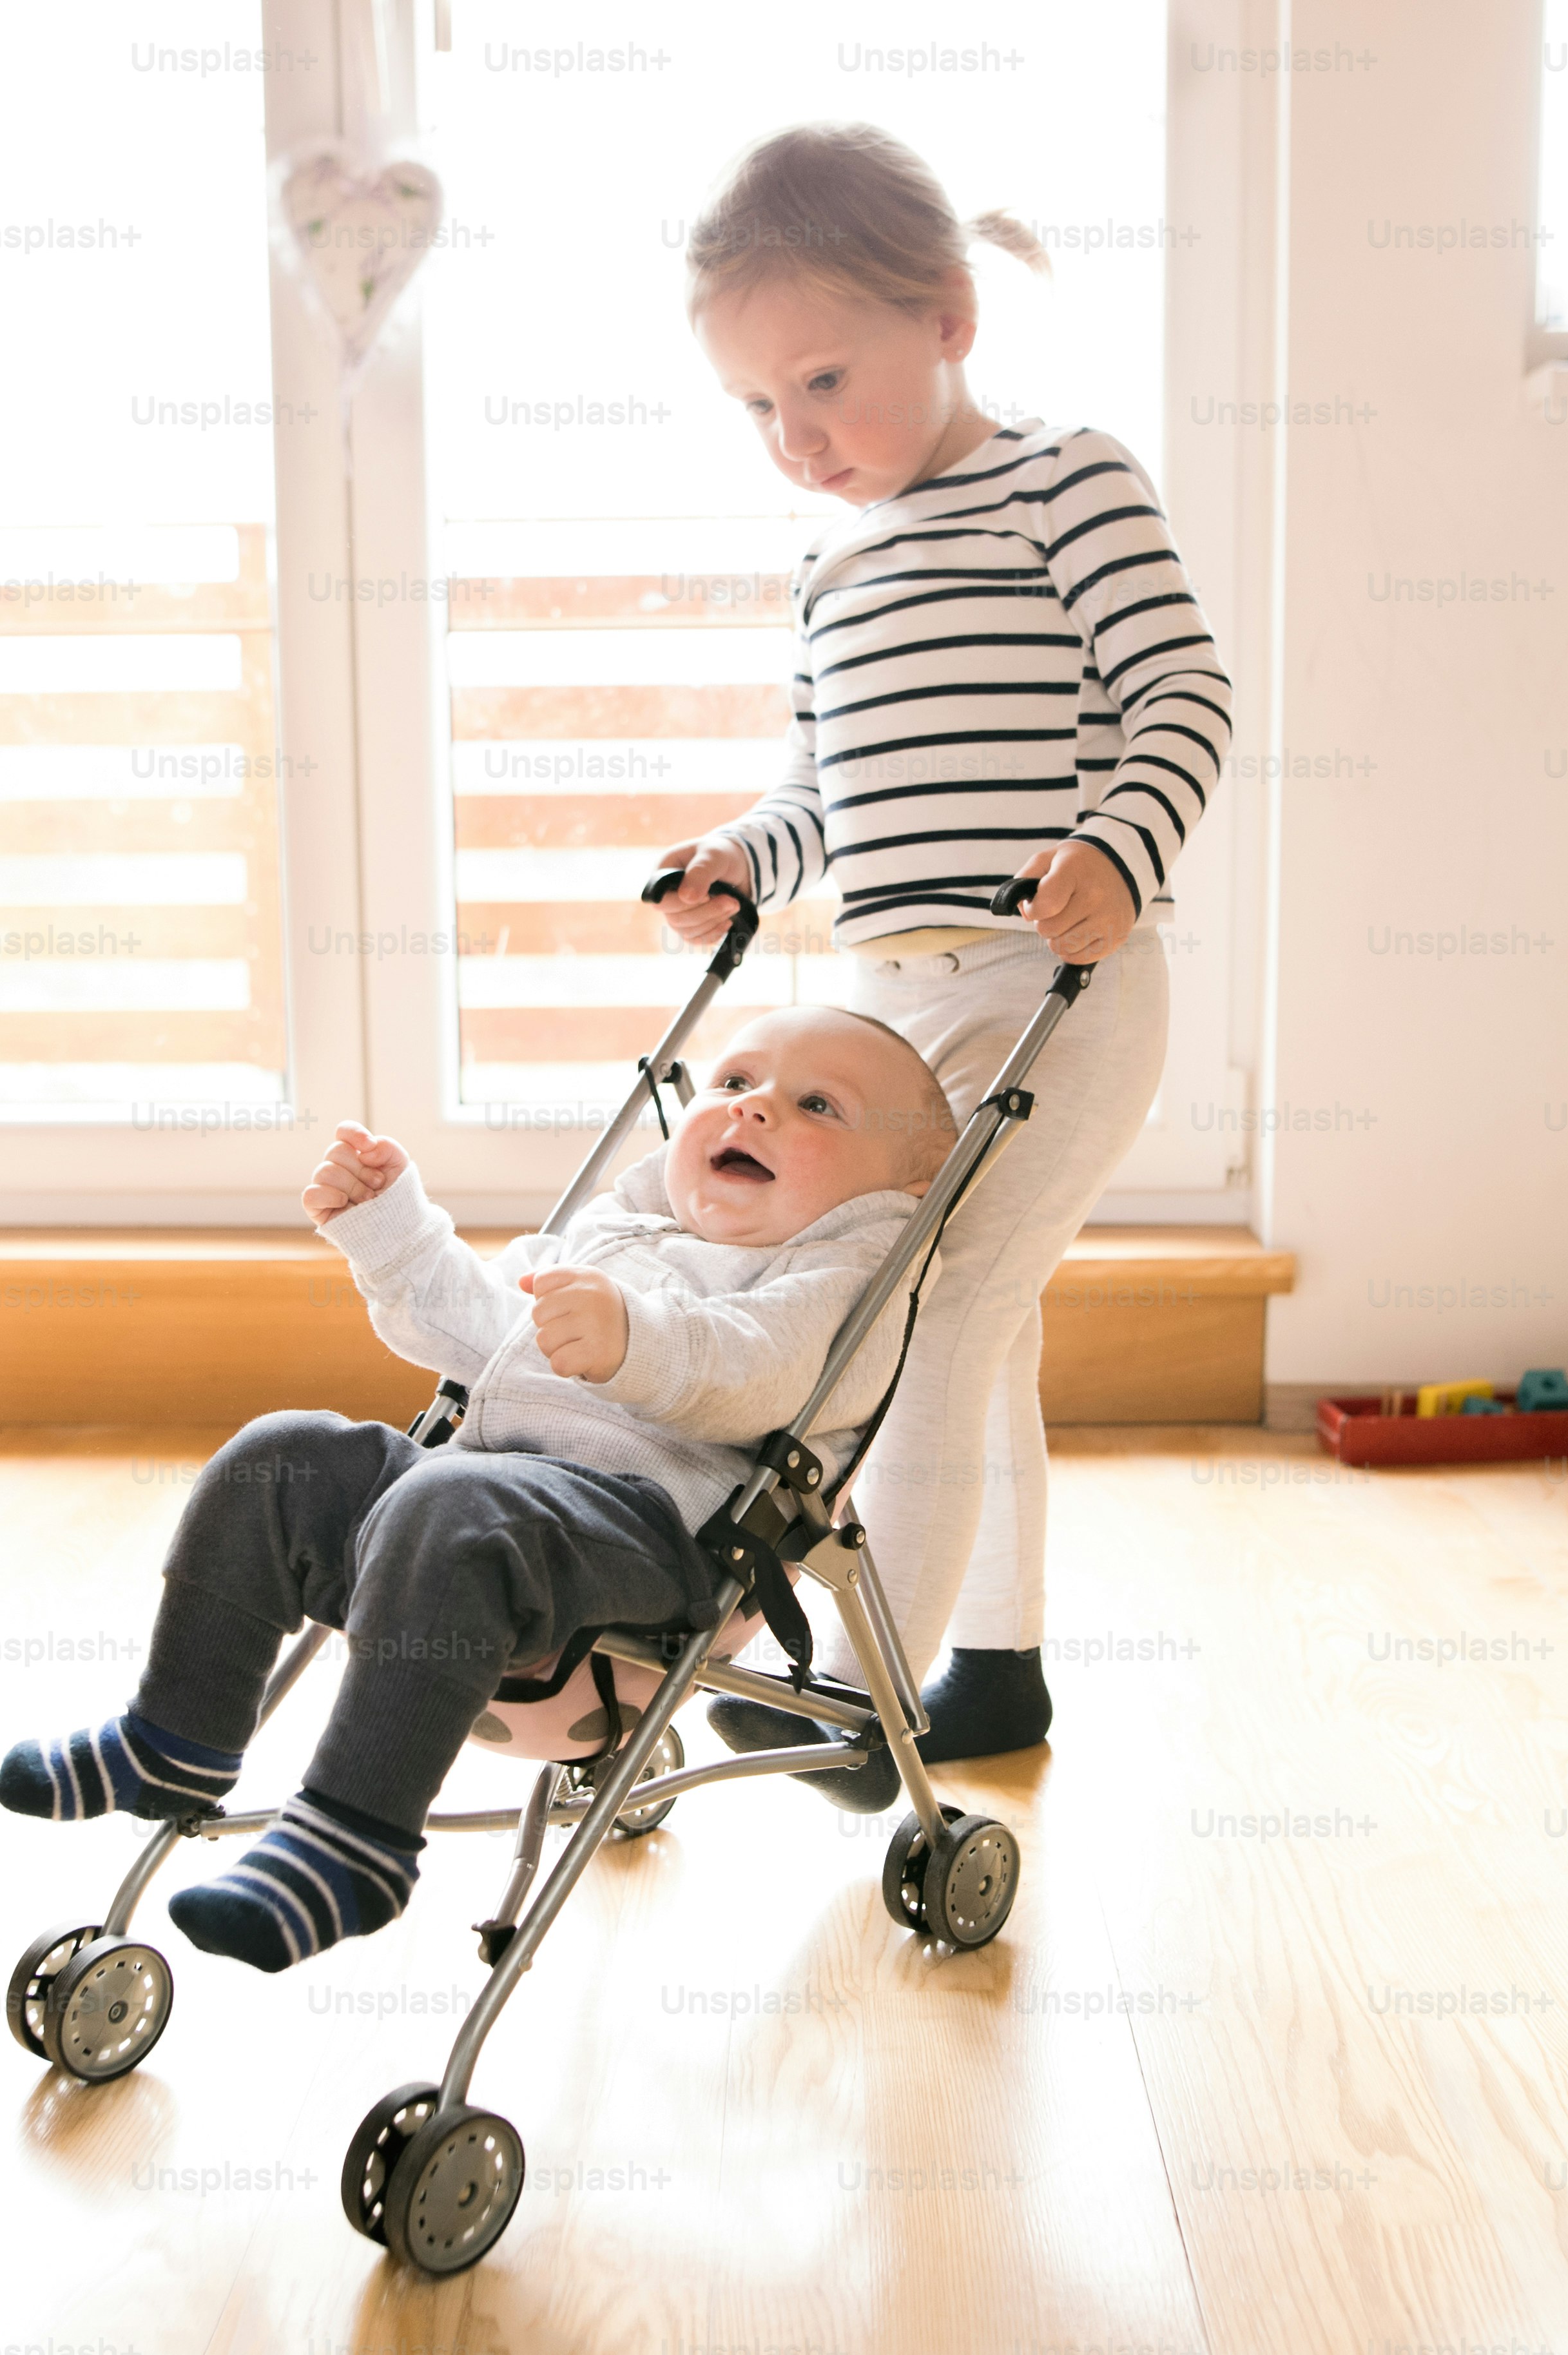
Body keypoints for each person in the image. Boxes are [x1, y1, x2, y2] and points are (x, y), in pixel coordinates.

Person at [657, 123, 1232, 1808]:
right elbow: (815, 786)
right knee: (980, 1329)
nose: (797, 435)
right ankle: (993, 1665)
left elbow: (1182, 699)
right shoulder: (826, 563)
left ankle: (872, 1684)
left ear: (952, 319)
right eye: (758, 406)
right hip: (885, 1014)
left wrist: (1116, 851)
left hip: (1053, 984)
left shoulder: (1066, 477)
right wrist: (739, 864)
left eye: (824, 378)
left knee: (932, 1316)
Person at [0, 1005, 956, 1971]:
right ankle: (175, 1736)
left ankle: (355, 1840)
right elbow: (475, 1329)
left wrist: (635, 1340)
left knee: (445, 1504)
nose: (753, 1112)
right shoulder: (616, 1231)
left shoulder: (839, 1267)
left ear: (893, 1189)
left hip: (655, 1540)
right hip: (472, 1513)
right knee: (279, 1456)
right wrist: (393, 1233)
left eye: (816, 1104)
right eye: (734, 1083)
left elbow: (761, 1369)